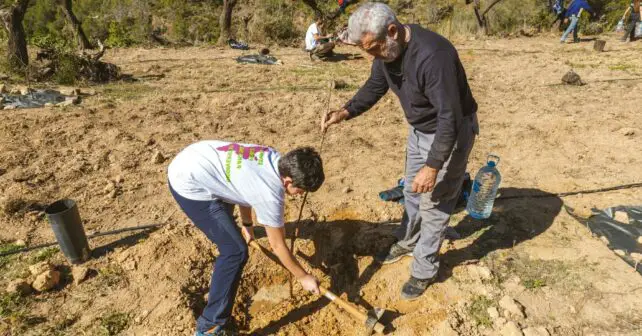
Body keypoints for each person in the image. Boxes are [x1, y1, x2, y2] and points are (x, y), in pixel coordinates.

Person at [322, 3, 478, 300]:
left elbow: (450, 118)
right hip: (419, 130)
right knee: (410, 191)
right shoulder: (386, 52)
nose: (372, 56)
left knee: (436, 203)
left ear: (392, 31)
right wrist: (345, 111)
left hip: (450, 132)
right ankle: (407, 240)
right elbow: (375, 85)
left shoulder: (434, 56)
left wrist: (433, 166)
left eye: (374, 48)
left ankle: (424, 269)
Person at [168, 141, 324, 336]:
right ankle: (209, 327)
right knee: (235, 251)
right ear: (287, 182)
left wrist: (247, 225)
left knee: (232, 235)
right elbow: (277, 244)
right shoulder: (269, 194)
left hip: (196, 157)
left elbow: (244, 190)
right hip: (189, 183)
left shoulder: (272, 157)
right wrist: (304, 277)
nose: (300, 195)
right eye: (301, 190)